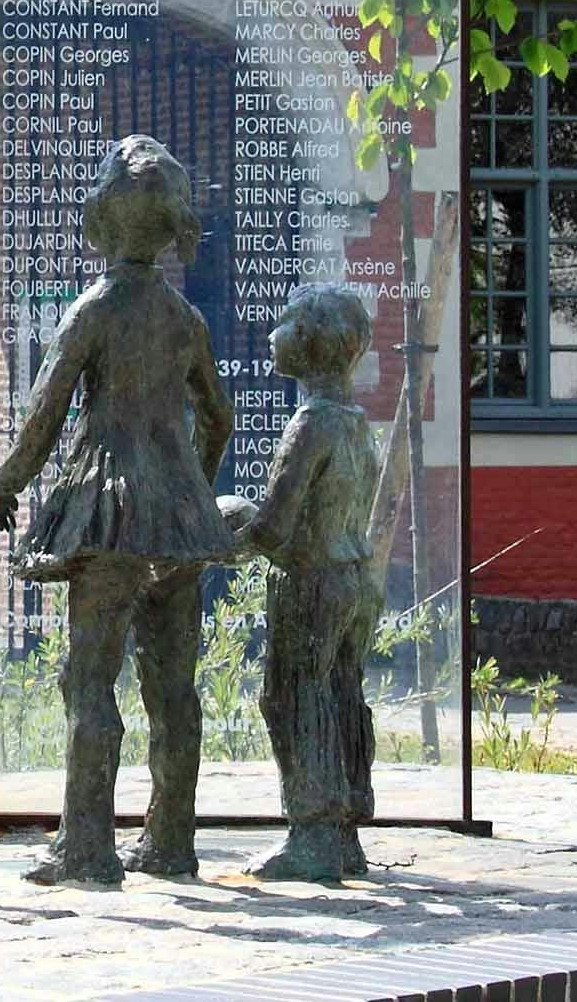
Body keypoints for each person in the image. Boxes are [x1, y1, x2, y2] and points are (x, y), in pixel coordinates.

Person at [0, 135, 239, 885]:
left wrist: (4, 483)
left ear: (98, 220)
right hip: (174, 516)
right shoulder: (183, 318)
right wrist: (192, 488)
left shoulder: (92, 310)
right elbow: (217, 417)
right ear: (171, 229)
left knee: (89, 678)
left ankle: (86, 847)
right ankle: (170, 843)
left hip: (107, 510)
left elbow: (46, 412)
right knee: (173, 686)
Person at [228, 280, 384, 882]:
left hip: (311, 580)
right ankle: (345, 833)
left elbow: (274, 524)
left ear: (308, 343)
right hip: (353, 576)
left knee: (294, 696)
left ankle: (313, 833)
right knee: (342, 691)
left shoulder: (310, 424)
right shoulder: (354, 422)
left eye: (285, 323)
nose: (274, 334)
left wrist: (227, 526)